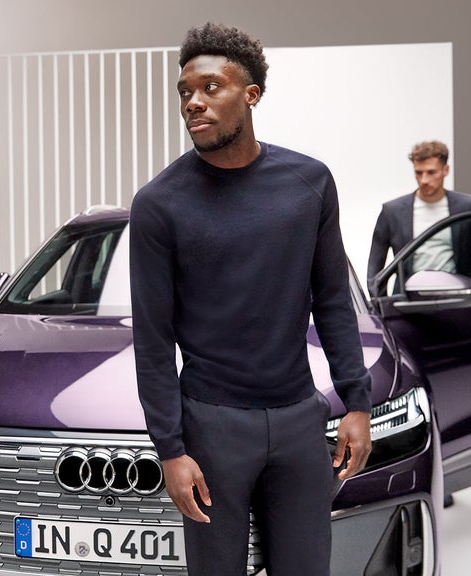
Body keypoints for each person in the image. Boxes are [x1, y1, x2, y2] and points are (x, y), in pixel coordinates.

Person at [128, 23, 372, 576]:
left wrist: (356, 402)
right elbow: (153, 337)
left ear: (251, 95)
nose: (194, 101)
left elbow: (333, 299)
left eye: (211, 87)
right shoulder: (159, 204)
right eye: (185, 91)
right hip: (211, 426)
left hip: (298, 420)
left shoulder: (309, 183)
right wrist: (170, 448)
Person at [366, 140, 471, 294]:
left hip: (457, 298)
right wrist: (381, 303)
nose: (424, 180)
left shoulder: (467, 205)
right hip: (408, 302)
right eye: (418, 173)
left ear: (445, 170)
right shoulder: (392, 211)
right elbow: (375, 265)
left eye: (431, 172)